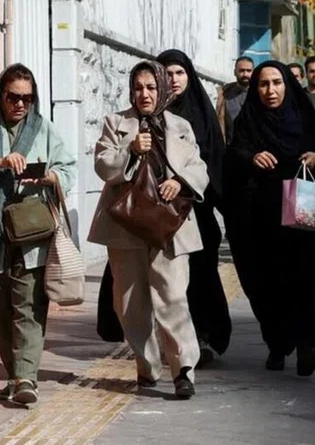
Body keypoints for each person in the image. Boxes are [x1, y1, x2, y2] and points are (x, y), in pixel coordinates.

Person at [0, 64, 76, 406]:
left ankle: (26, 378)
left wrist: (49, 177)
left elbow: (68, 169)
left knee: (29, 304)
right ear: (1, 96)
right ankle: (14, 374)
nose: (21, 104)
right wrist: (0, 162)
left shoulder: (44, 129)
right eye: (13, 97)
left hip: (32, 231)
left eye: (28, 98)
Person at [89, 60, 210, 400]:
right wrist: (129, 149)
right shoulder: (116, 123)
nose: (144, 94)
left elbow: (198, 166)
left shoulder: (180, 125)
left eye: (151, 87)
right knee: (129, 304)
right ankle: (147, 365)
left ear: (162, 89)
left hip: (169, 225)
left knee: (173, 297)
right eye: (138, 87)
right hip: (126, 224)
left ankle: (183, 369)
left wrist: (180, 182)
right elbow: (103, 166)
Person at [224, 61, 315, 377]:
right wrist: (251, 157)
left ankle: (309, 345)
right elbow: (232, 158)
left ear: (287, 84)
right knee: (266, 286)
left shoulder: (303, 117)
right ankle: (277, 343)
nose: (270, 90)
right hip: (258, 220)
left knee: (302, 280)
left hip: (300, 213)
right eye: (263, 84)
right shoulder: (248, 121)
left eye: (276, 83)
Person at [157, 49, 232, 365]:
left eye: (179, 73)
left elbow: (214, 162)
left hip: (197, 213)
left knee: (201, 277)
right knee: (167, 282)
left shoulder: (201, 113)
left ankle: (203, 337)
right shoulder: (151, 111)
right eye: (167, 73)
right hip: (160, 213)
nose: (174, 80)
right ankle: (172, 342)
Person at [216, 55, 254, 144]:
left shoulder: (260, 93)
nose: (245, 74)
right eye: (241, 71)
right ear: (235, 72)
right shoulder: (223, 94)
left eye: (248, 71)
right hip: (230, 147)